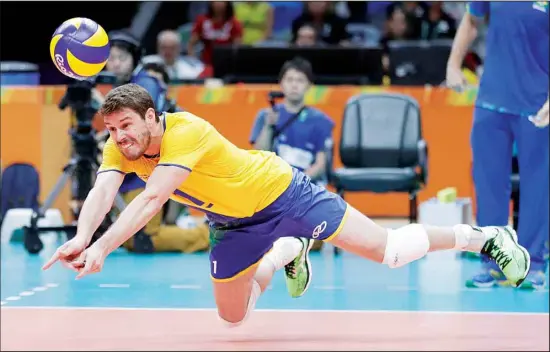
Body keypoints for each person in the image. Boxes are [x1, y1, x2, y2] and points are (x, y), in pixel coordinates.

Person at [43, 83, 530, 327]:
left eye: (127, 125)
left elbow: (152, 198)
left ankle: (485, 238)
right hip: (232, 223)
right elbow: (103, 191)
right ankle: (285, 253)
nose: (119, 136)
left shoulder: (184, 132)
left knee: (390, 252)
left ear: (152, 117)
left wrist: (104, 248)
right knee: (233, 318)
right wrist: (83, 238)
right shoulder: (119, 146)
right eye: (112, 129)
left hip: (284, 192)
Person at [446, 1, 549, 289]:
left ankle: (533, 262)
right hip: (491, 100)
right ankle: (492, 261)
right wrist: (453, 64)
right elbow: (470, 21)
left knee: (538, 184)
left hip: (537, 103)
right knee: (489, 183)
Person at [250, 57, 334, 250]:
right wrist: (269, 127)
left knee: (314, 241)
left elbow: (321, 164)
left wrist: (297, 183)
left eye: (300, 80)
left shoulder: (321, 120)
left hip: (305, 187)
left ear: (309, 86)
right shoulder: (266, 115)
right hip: (273, 186)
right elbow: (258, 155)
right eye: (289, 80)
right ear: (281, 83)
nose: (294, 85)